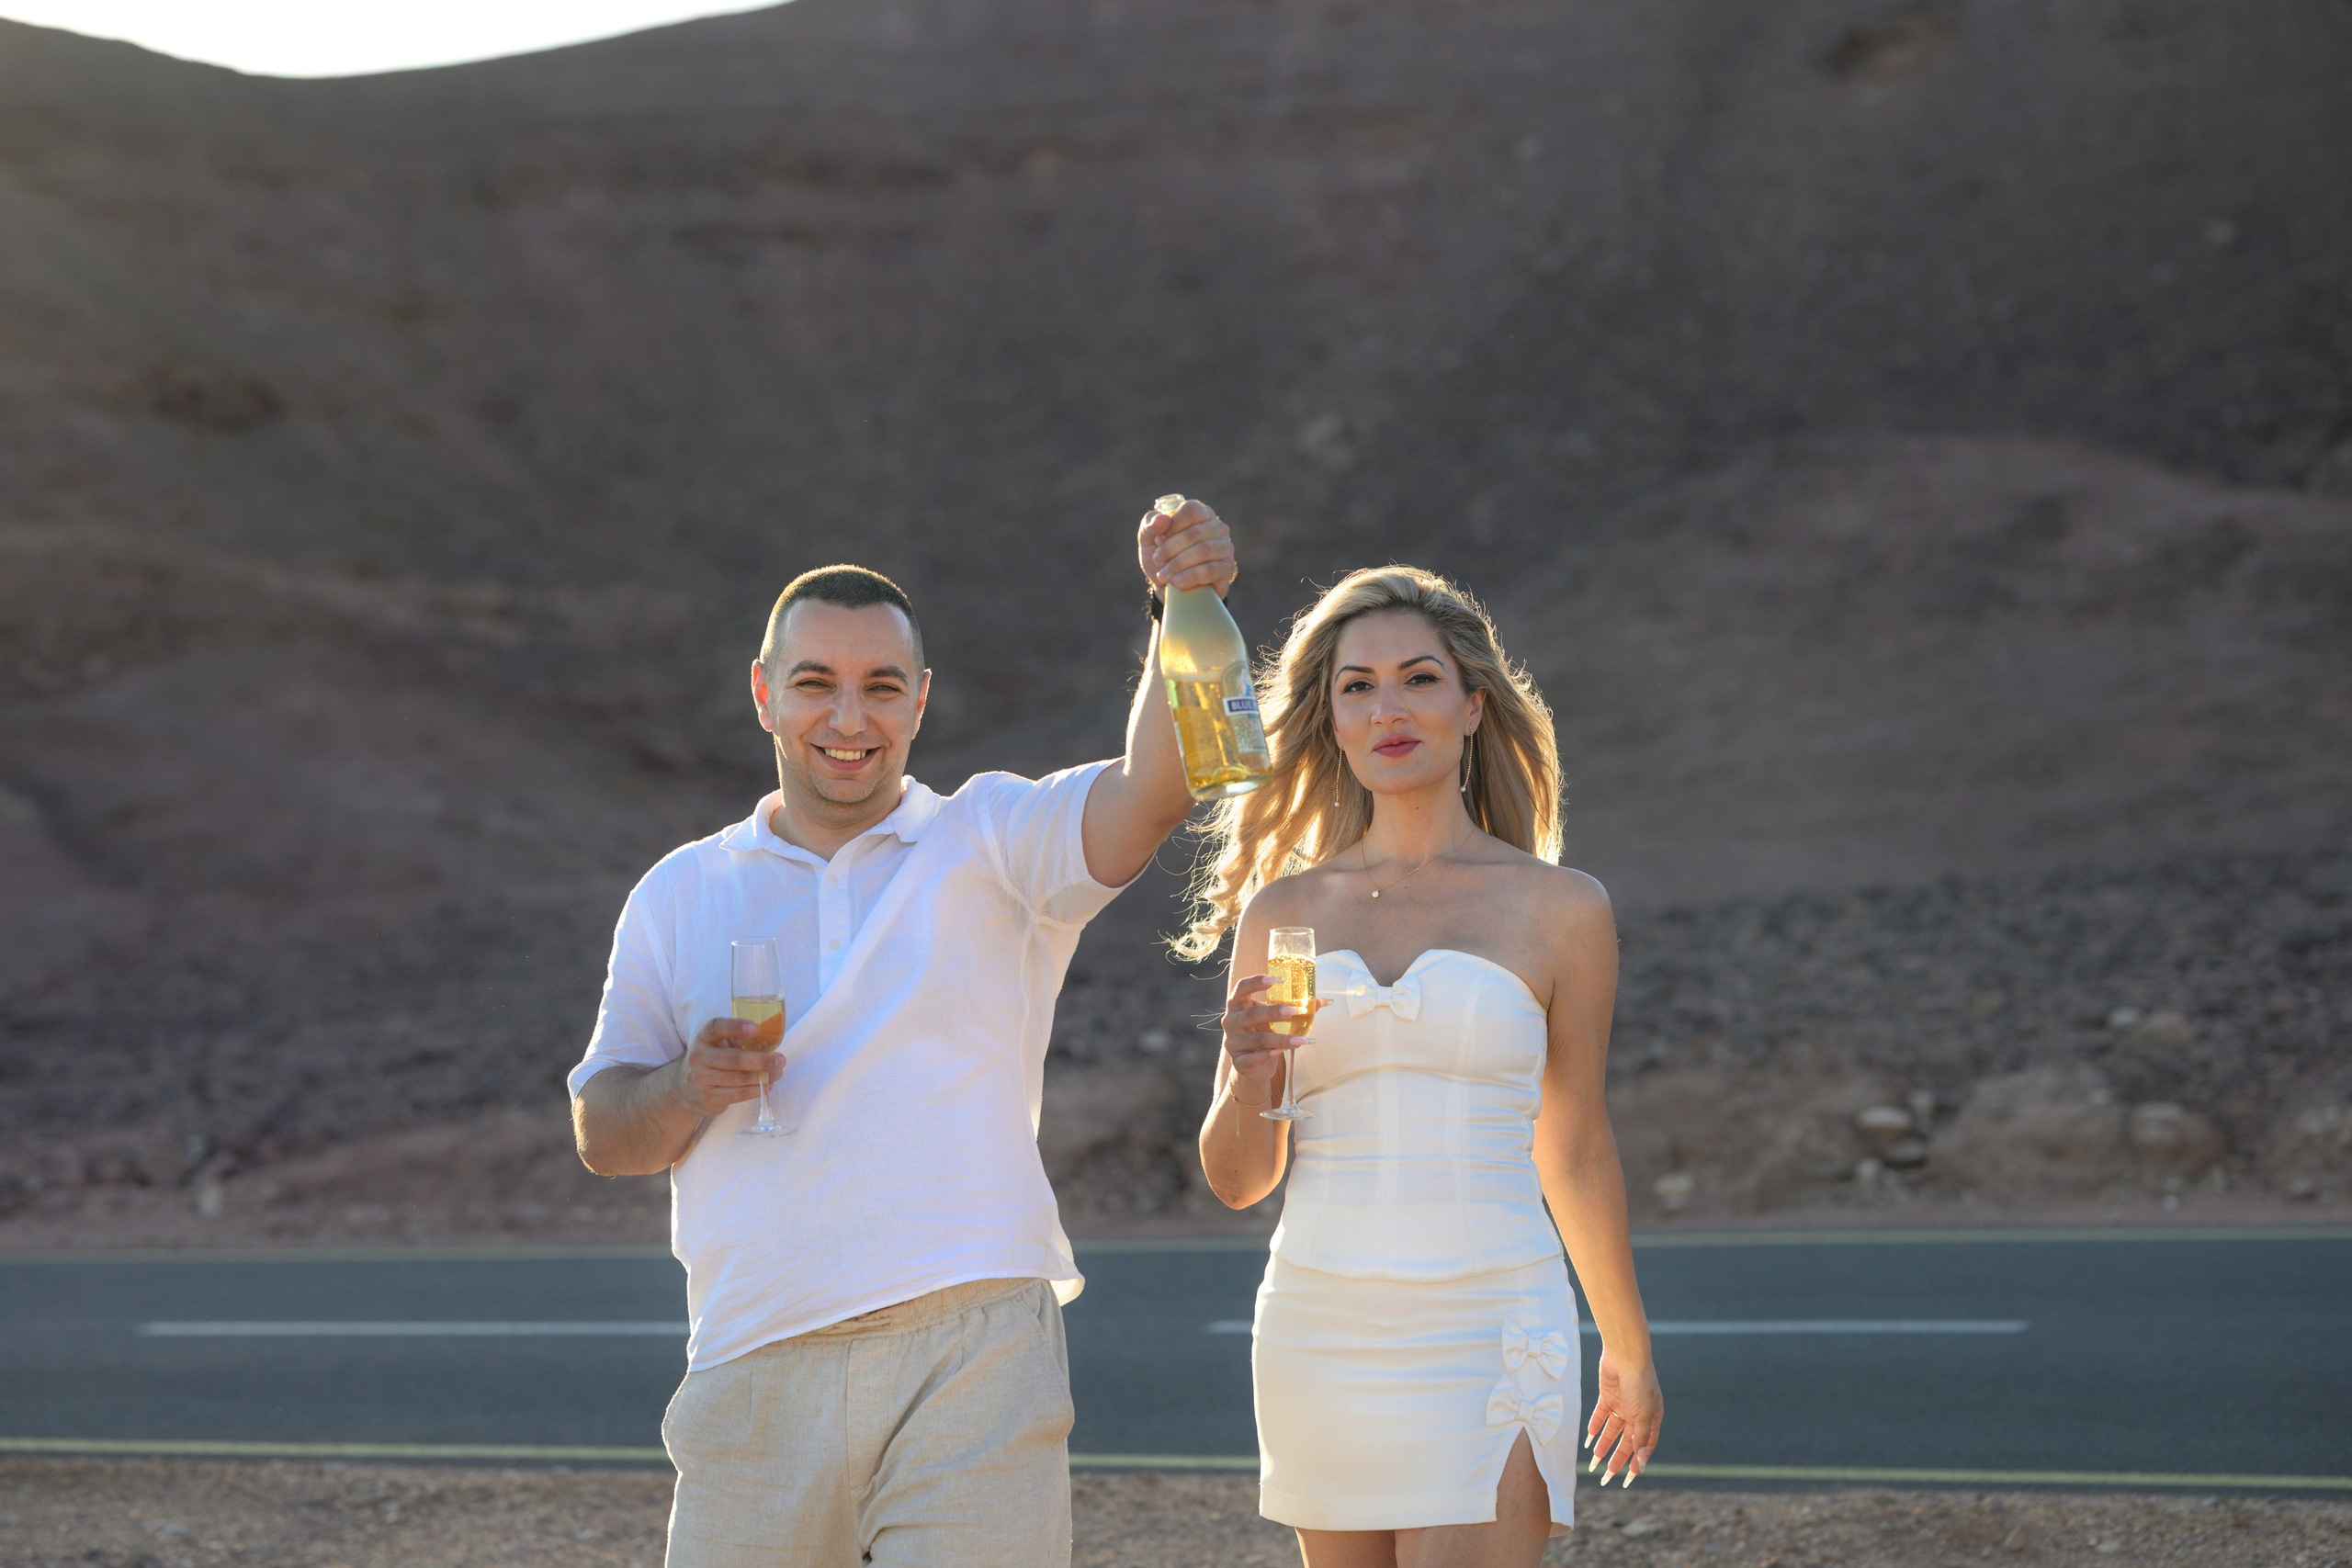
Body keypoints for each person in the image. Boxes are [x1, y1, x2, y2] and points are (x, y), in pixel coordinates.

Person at [569, 499, 1238, 1568]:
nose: (850, 718)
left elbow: (1153, 791)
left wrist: (1178, 607)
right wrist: (691, 1088)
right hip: (753, 1353)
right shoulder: (680, 892)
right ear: (762, 695)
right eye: (815, 684)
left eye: (882, 686)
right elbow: (605, 1133)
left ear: (919, 702)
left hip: (972, 1348)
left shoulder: (991, 838)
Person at [1185, 565, 1665, 1567]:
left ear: (1472, 705)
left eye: (1417, 678)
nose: (1386, 708)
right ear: (1329, 719)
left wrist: (1626, 1342)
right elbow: (1238, 1180)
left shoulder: (1561, 908)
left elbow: (1572, 1146)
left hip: (1494, 1317)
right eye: (1356, 686)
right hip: (1317, 1320)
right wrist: (1251, 1072)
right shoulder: (1284, 914)